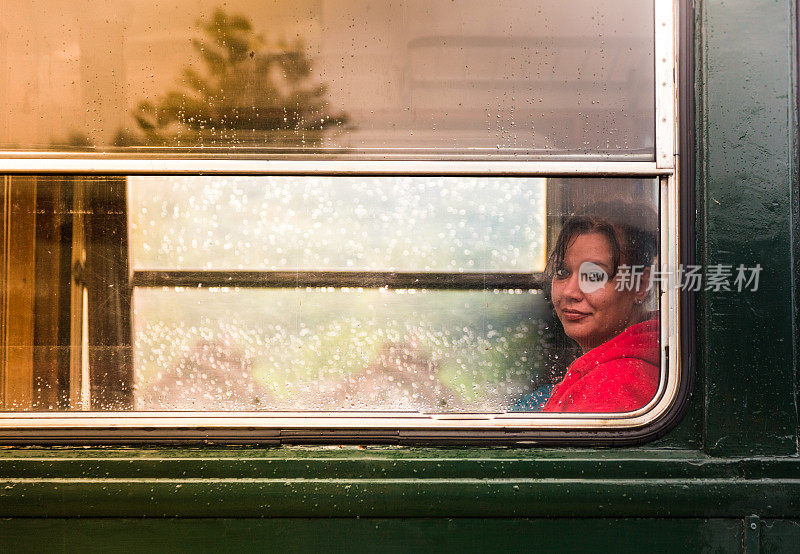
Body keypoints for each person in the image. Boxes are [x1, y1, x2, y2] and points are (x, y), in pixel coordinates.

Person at [540, 200, 660, 413]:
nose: (569, 292)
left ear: (640, 284)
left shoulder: (613, 387)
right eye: (562, 272)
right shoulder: (635, 361)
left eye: (594, 276)